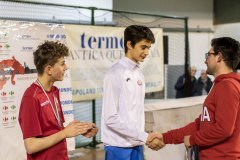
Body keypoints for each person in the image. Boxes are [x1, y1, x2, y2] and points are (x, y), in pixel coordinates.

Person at [151, 37, 240, 160]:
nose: (205, 60)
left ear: (219, 57)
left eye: (208, 55)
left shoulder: (227, 86)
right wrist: (165, 137)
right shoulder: (221, 85)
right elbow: (199, 125)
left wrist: (193, 139)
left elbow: (224, 129)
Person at [18, 41, 98, 160]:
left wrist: (76, 129)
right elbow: (31, 146)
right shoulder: (31, 97)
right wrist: (65, 133)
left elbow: (53, 131)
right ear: (49, 69)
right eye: (62, 64)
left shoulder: (54, 91)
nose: (66, 67)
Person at [101, 25, 164, 160]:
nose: (147, 52)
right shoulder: (115, 74)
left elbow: (135, 112)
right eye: (143, 47)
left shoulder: (139, 74)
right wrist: (144, 137)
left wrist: (144, 136)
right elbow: (110, 118)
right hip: (117, 147)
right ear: (129, 44)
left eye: (149, 48)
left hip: (137, 144)